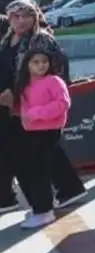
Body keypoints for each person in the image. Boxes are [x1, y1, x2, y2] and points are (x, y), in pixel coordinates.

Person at [0, 0, 85, 214]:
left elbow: (48, 74)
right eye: (15, 16)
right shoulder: (9, 38)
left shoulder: (41, 39)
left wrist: (19, 98)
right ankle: (65, 190)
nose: (20, 21)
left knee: (38, 153)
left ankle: (48, 200)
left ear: (35, 15)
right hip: (13, 105)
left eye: (25, 15)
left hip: (33, 106)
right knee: (26, 151)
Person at [12, 45, 70, 229]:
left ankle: (44, 212)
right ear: (27, 64)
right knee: (30, 170)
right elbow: (22, 109)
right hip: (30, 132)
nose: (41, 65)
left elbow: (63, 103)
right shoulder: (25, 84)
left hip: (48, 131)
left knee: (39, 172)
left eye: (44, 62)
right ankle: (40, 207)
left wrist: (37, 113)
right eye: (36, 62)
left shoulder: (54, 81)